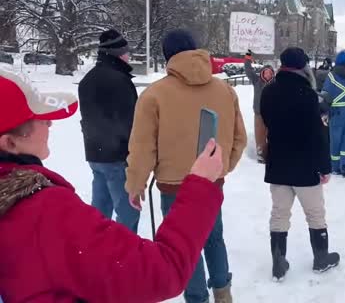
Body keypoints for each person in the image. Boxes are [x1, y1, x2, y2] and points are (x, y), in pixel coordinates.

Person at [0, 69, 226, 302]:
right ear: (9, 142)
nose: (49, 123)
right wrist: (200, 185)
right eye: (38, 118)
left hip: (97, 156)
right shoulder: (45, 213)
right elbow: (162, 271)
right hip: (126, 164)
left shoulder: (94, 81)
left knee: (103, 210)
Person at [125, 29, 247, 303]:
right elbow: (240, 137)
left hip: (174, 186)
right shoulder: (225, 90)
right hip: (211, 182)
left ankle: (197, 298)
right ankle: (223, 295)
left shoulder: (154, 95)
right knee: (214, 238)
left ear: (168, 57)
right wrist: (222, 167)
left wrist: (135, 184)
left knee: (183, 248)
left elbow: (143, 147)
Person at [260, 47, 339, 281]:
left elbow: (267, 121)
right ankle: (321, 258)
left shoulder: (268, 92)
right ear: (303, 67)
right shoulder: (310, 96)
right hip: (306, 166)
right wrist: (325, 168)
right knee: (315, 214)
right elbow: (319, 136)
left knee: (279, 214)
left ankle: (278, 261)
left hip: (278, 163)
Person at [78, 29, 140, 232]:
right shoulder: (120, 81)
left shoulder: (87, 80)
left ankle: (95, 252)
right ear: (117, 53)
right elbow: (130, 122)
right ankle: (124, 256)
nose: (128, 55)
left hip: (95, 154)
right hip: (117, 156)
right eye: (125, 51)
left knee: (99, 212)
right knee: (128, 213)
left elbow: (87, 117)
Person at [244, 51, 275, 163]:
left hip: (272, 114)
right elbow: (248, 71)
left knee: (272, 135)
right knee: (260, 136)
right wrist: (247, 58)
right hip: (259, 113)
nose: (268, 74)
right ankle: (261, 156)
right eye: (266, 72)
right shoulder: (257, 80)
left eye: (270, 73)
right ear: (262, 73)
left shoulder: (276, 83)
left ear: (272, 74)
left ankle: (272, 155)